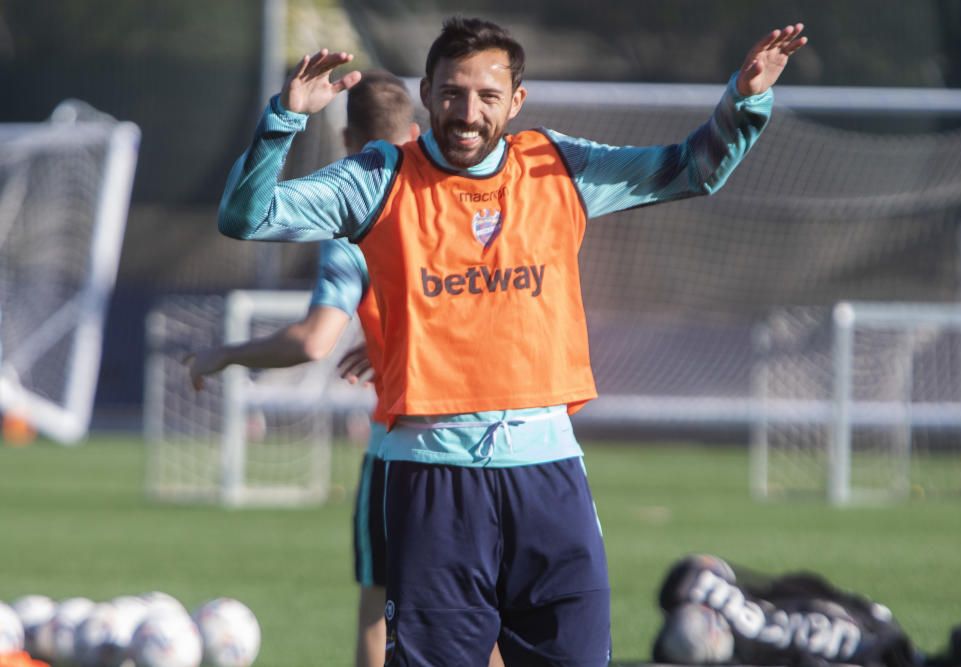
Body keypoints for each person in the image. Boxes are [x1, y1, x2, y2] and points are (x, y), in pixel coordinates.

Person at [217, 16, 807, 666]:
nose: (467, 113)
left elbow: (695, 167)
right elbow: (248, 215)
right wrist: (284, 119)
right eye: (452, 93)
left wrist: (745, 99)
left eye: (487, 96)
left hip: (547, 474)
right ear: (426, 91)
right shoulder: (379, 177)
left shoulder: (556, 167)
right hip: (433, 477)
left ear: (515, 102)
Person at [186, 70, 419, 667]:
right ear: (416, 133)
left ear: (347, 142)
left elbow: (316, 341)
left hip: (405, 448)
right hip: (501, 449)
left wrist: (226, 354)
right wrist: (404, 343)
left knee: (379, 608)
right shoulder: (449, 209)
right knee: (481, 611)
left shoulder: (357, 216)